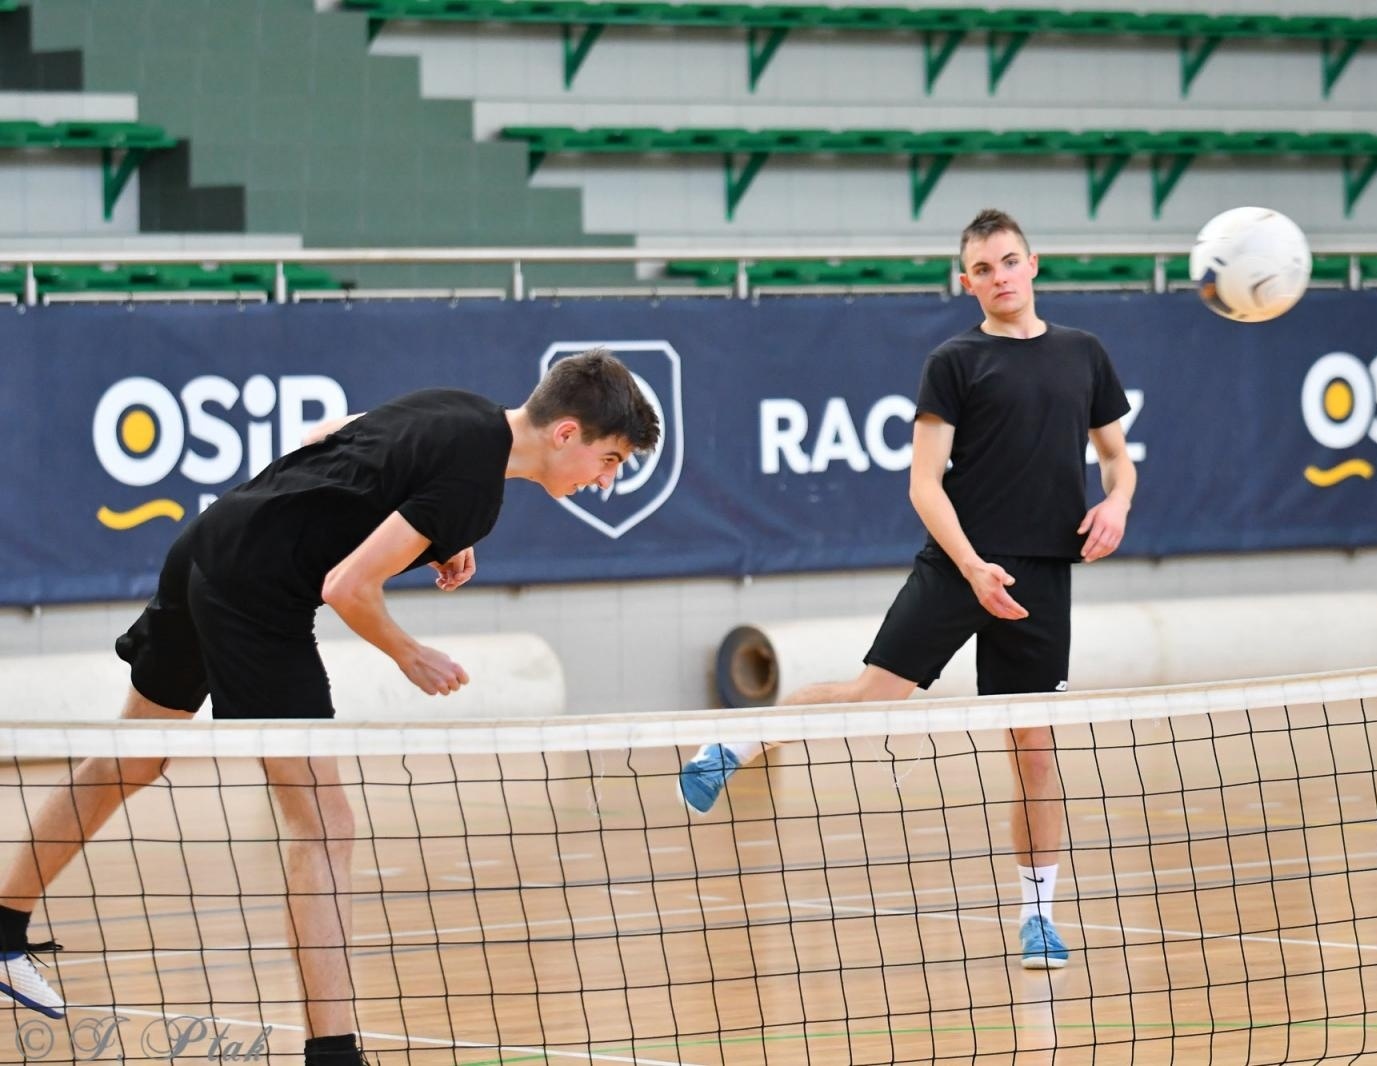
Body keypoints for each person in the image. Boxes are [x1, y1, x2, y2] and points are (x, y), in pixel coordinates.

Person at [0, 349, 659, 1065]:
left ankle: (1, 932)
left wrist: (442, 533)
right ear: (566, 434)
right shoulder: (475, 487)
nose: (608, 478)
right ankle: (334, 1053)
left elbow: (331, 436)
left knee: (131, 762)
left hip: (209, 543)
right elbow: (349, 587)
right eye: (612, 457)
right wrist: (412, 654)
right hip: (255, 598)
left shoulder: (460, 407)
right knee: (326, 820)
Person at [678, 208, 1136, 970]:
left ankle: (1038, 917)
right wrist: (971, 567)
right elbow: (925, 485)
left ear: (1034, 265)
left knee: (1033, 748)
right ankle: (732, 744)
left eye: (1009, 261)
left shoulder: (1083, 355)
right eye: (983, 269)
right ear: (968, 283)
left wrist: (1116, 502)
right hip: (960, 566)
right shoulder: (953, 363)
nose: (999, 276)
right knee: (869, 699)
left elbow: (1119, 460)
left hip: (1042, 577)